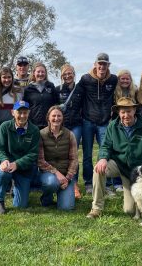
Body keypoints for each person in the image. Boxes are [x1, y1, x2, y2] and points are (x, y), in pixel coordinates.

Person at [86, 97, 142, 219]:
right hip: (117, 164)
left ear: (134, 111)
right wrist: (103, 158)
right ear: (118, 113)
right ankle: (96, 208)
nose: (126, 115)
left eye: (129, 111)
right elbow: (105, 146)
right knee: (98, 169)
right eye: (123, 112)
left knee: (129, 210)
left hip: (135, 171)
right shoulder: (112, 126)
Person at [77, 53, 117, 194]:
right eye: (99, 63)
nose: (102, 66)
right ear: (95, 64)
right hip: (87, 121)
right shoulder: (86, 79)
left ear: (108, 65)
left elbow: (120, 94)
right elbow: (76, 96)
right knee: (87, 154)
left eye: (105, 64)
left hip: (104, 123)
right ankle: (88, 183)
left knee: (105, 154)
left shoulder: (113, 80)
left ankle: (105, 184)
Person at [0, 100, 40, 214]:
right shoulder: (5, 127)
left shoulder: (34, 130)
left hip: (23, 168)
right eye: (19, 112)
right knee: (3, 172)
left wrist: (17, 164)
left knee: (21, 205)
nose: (22, 116)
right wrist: (3, 160)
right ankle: (0, 200)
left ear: (29, 113)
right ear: (13, 112)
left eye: (25, 112)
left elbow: (33, 154)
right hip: (7, 163)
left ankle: (16, 189)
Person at [0, 66, 23, 193]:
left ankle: (11, 184)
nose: (7, 80)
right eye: (4, 77)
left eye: (9, 77)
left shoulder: (18, 92)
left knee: (11, 154)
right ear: (0, 78)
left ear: (12, 78)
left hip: (12, 128)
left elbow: (20, 111)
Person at [38, 106, 78, 210]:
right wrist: (56, 173)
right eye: (53, 116)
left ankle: (63, 193)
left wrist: (67, 179)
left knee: (66, 208)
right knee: (51, 183)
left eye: (59, 116)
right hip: (49, 174)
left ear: (63, 118)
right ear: (48, 118)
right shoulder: (41, 134)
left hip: (65, 175)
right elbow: (40, 160)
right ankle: (47, 198)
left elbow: (74, 160)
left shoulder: (70, 135)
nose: (56, 118)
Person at [56, 64, 83, 199]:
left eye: (70, 73)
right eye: (64, 74)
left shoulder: (80, 89)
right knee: (62, 154)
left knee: (73, 154)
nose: (67, 76)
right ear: (61, 76)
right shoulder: (57, 90)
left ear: (74, 74)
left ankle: (74, 183)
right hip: (62, 126)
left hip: (77, 125)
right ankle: (62, 179)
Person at [23, 62, 59, 129]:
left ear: (45, 73)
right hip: (33, 125)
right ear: (34, 73)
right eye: (38, 72)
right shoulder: (28, 89)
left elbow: (56, 103)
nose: (40, 74)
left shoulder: (50, 86)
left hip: (49, 125)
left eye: (42, 72)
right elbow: (25, 107)